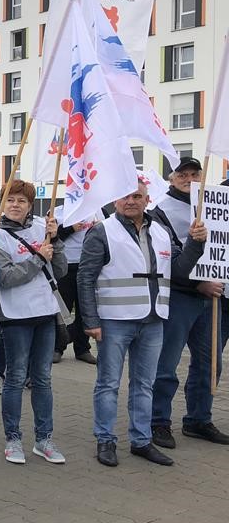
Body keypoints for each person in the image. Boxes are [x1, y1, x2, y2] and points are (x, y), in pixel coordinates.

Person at [79, 181, 206, 467]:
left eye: (137, 196)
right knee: (108, 384)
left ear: (147, 200)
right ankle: (106, 440)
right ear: (115, 201)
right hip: (114, 320)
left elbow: (180, 271)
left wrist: (195, 244)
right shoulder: (102, 231)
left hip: (153, 320)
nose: (131, 201)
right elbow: (85, 278)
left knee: (144, 385)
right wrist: (90, 321)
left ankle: (140, 440)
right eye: (125, 196)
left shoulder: (160, 232)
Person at [0, 180, 67, 465]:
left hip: (46, 314)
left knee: (42, 378)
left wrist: (57, 241)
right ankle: (13, 439)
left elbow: (61, 270)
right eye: (10, 200)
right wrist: (40, 257)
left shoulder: (43, 226)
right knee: (15, 378)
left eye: (22, 201)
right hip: (15, 316)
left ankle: (44, 439)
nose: (16, 205)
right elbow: (8, 278)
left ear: (30, 205)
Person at [149, 157, 229, 447]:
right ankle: (158, 421)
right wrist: (200, 283)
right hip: (179, 297)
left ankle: (198, 420)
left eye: (195, 173)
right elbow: (166, 260)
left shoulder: (215, 204)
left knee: (210, 364)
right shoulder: (160, 212)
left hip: (212, 299)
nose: (189, 177)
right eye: (183, 173)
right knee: (166, 365)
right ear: (171, 178)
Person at [53, 204, 102, 364]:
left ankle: (82, 348)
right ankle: (57, 347)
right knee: (62, 310)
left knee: (84, 309)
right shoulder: (56, 211)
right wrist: (70, 228)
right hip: (65, 267)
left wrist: (97, 228)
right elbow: (51, 237)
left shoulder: (97, 210)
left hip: (88, 266)